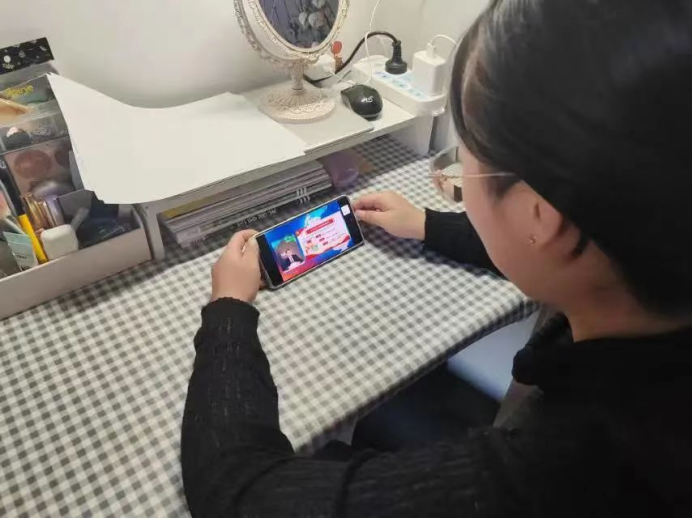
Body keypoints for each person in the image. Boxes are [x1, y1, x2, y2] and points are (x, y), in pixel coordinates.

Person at [181, 1, 692, 516]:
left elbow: (236, 491)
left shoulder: (563, 472)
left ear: (540, 216)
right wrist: (428, 224)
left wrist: (229, 309)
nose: (457, 173)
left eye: (468, 155)